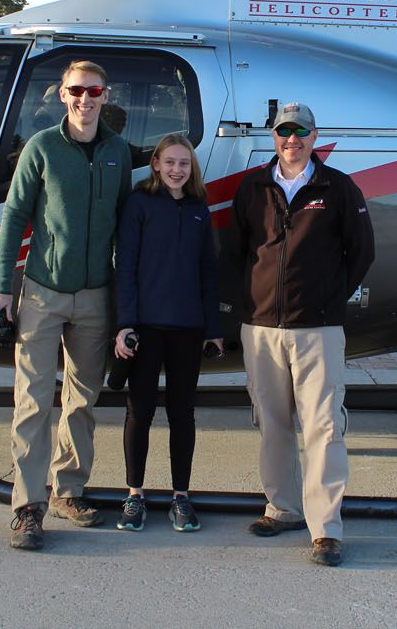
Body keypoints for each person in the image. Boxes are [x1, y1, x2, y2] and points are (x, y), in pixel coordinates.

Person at [0, 60, 132, 551]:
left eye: (93, 91)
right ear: (63, 95)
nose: (85, 99)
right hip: (43, 293)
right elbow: (14, 216)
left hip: (95, 297)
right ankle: (28, 507)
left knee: (82, 400)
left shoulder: (117, 152)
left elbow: (126, 228)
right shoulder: (42, 147)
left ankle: (68, 490)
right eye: (76, 91)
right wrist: (2, 286)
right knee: (32, 399)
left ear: (105, 96)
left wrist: (126, 302)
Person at [224, 101, 375, 567]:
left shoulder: (338, 188)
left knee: (324, 427)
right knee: (272, 424)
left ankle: (325, 528)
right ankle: (283, 509)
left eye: (301, 133)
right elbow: (236, 253)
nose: (293, 140)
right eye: (284, 132)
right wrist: (250, 305)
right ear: (274, 136)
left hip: (319, 330)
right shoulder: (252, 187)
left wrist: (328, 299)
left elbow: (362, 252)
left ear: (315, 137)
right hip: (262, 329)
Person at [111, 134, 224, 533]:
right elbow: (125, 267)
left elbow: (208, 273)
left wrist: (213, 328)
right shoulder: (140, 204)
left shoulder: (198, 209)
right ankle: (134, 495)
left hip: (188, 328)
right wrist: (125, 325)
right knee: (139, 411)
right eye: (170, 162)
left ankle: (181, 497)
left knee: (182, 414)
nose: (178, 169)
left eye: (185, 164)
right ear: (156, 164)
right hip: (145, 328)